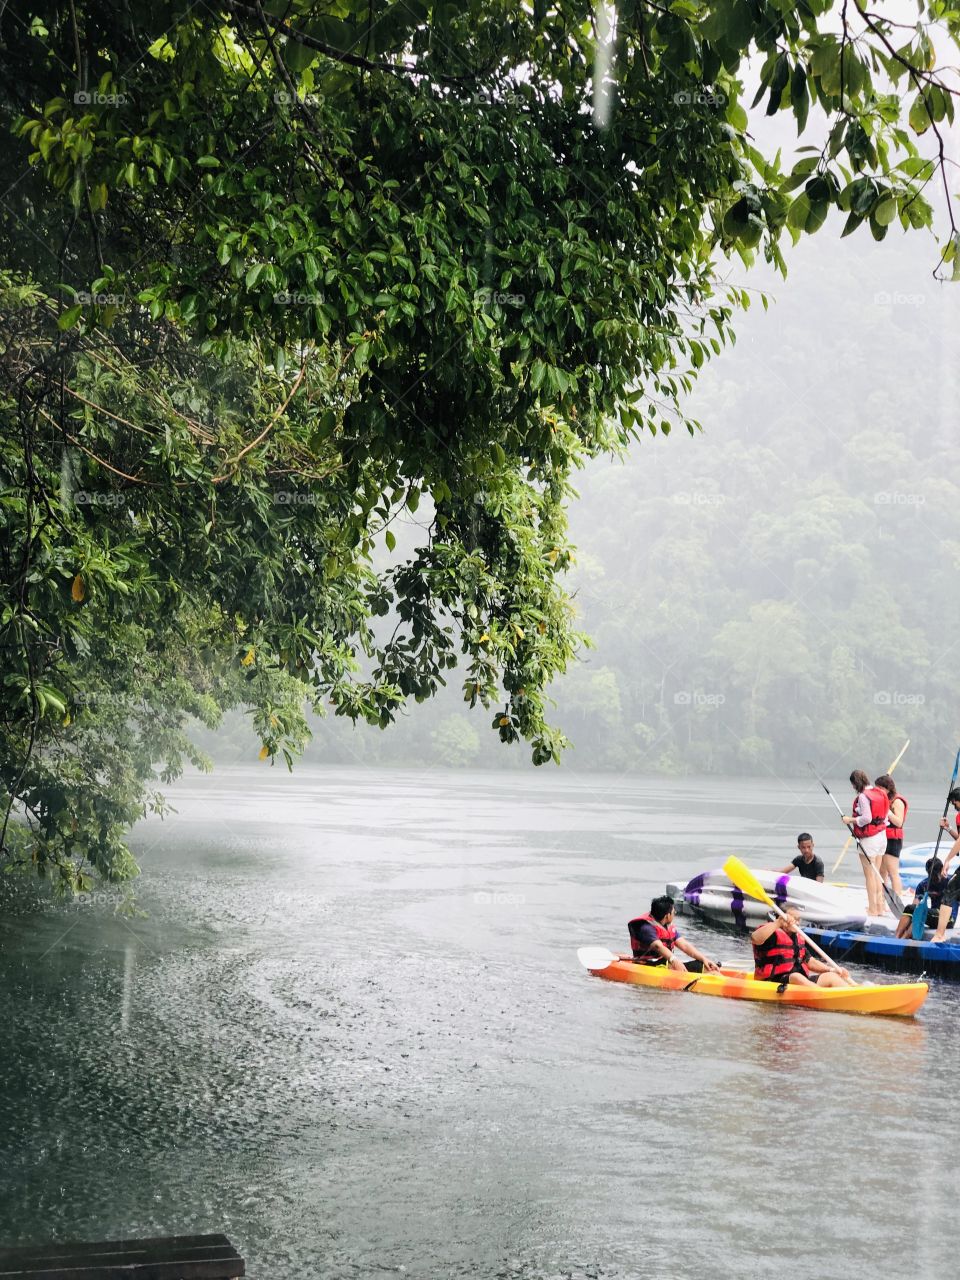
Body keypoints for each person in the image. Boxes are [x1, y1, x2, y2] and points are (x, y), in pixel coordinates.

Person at [751, 906, 851, 987]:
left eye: (799, 919)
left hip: (798, 981)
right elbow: (755, 938)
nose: (797, 923)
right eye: (794, 919)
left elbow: (810, 962)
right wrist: (778, 922)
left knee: (831, 976)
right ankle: (821, 995)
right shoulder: (771, 933)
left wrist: (831, 969)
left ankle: (850, 995)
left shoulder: (797, 938)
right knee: (796, 977)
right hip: (773, 981)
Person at [628, 896, 721, 973]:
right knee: (706, 971)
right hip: (648, 966)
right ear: (667, 916)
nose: (675, 913)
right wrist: (674, 960)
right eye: (673, 911)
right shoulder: (645, 927)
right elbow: (658, 946)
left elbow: (685, 946)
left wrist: (704, 959)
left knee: (703, 966)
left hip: (664, 963)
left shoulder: (666, 926)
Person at [842, 769, 890, 917]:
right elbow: (884, 815)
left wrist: (850, 820)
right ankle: (880, 907)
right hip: (882, 836)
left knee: (870, 875)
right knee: (877, 874)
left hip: (870, 839)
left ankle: (873, 909)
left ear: (855, 783)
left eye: (852, 785)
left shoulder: (863, 796)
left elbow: (867, 818)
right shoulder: (880, 792)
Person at [895, 858, 947, 939]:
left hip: (947, 919)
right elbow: (914, 906)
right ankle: (896, 937)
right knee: (911, 908)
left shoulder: (949, 882)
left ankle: (903, 938)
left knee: (918, 911)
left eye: (935, 873)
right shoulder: (924, 884)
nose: (933, 877)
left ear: (942, 870)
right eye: (931, 874)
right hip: (933, 915)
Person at [876, 773, 907, 899]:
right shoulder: (884, 800)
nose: (877, 790)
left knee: (892, 872)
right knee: (881, 871)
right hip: (883, 838)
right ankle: (882, 900)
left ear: (887, 788)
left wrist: (887, 812)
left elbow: (899, 822)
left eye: (879, 788)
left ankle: (897, 899)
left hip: (893, 839)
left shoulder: (897, 801)